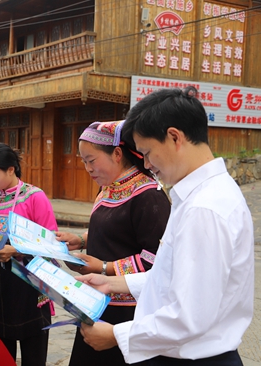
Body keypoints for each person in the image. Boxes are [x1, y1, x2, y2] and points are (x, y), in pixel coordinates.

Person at [79, 86, 254, 365]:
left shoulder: (204, 208)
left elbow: (189, 316)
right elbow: (172, 275)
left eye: (147, 152)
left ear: (174, 137)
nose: (146, 163)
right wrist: (112, 282)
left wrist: (116, 335)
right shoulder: (196, 196)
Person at [55, 120, 171, 366]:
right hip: (97, 300)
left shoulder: (149, 195)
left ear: (117, 153)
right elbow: (114, 231)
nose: (87, 168)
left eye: (91, 160)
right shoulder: (108, 188)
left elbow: (155, 261)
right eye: (83, 162)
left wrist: (103, 267)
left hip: (127, 311)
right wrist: (82, 240)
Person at [0, 142, 56, 366]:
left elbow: (51, 243)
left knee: (33, 350)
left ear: (10, 169)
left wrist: (16, 250)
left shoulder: (34, 197)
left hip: (28, 282)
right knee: (0, 351)